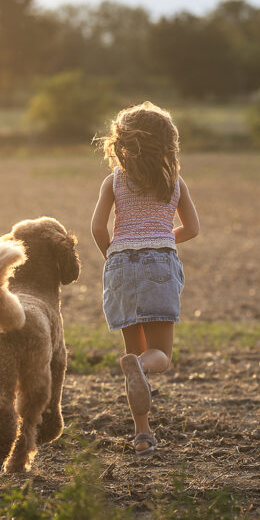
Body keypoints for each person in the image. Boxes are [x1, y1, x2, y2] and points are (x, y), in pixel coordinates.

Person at [91, 102, 200, 456]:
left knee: (132, 353)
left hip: (120, 264)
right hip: (159, 265)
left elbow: (97, 228)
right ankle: (141, 368)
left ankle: (142, 434)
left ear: (122, 143)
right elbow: (192, 228)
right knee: (160, 356)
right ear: (168, 144)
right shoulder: (174, 182)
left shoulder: (113, 181)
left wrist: (114, 255)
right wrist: (164, 238)